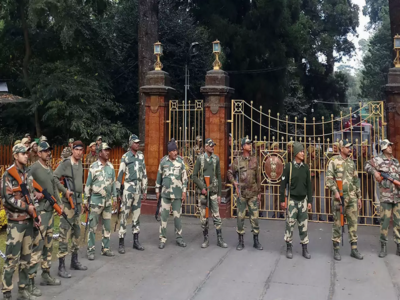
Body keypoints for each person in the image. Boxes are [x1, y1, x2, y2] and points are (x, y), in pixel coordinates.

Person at [1, 144, 37, 300]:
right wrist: (26, 207)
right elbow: (7, 199)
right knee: (11, 259)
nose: (26, 155)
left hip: (28, 222)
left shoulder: (27, 174)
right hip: (16, 223)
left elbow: (32, 194)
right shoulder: (8, 175)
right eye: (22, 153)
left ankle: (23, 289)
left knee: (26, 258)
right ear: (15, 155)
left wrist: (35, 213)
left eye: (26, 153)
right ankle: (7, 292)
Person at [27, 141, 61, 295]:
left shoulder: (48, 168)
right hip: (40, 213)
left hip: (50, 211)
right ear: (38, 153)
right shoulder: (33, 168)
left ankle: (46, 274)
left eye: (49, 150)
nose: (48, 153)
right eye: (45, 151)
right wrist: (35, 195)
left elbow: (53, 186)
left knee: (48, 245)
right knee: (37, 247)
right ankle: (30, 281)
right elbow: (24, 186)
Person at [53, 140, 87, 278]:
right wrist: (64, 190)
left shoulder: (80, 164)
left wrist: (82, 201)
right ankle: (61, 265)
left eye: (81, 150)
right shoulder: (67, 163)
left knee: (77, 232)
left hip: (78, 203)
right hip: (68, 204)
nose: (79, 152)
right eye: (77, 149)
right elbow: (54, 177)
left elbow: (80, 185)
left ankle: (74, 260)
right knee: (64, 234)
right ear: (72, 150)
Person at [326, 140, 363, 261]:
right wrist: (335, 191)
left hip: (352, 197)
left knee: (353, 223)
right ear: (341, 149)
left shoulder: (352, 163)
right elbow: (329, 179)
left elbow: (356, 180)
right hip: (339, 197)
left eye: (350, 147)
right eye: (347, 147)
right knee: (337, 223)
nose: (350, 149)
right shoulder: (334, 161)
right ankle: (336, 249)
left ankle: (354, 249)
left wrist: (359, 197)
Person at [365, 139, 400, 257]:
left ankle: (398, 246)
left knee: (398, 223)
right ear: (384, 148)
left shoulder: (395, 161)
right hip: (386, 197)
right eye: (389, 146)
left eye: (391, 145)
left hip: (397, 197)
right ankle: (383, 246)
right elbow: (367, 165)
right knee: (384, 223)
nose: (391, 147)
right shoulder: (378, 160)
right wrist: (375, 173)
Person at [227, 137, 263, 251]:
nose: (249, 145)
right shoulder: (238, 160)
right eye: (247, 144)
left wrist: (259, 192)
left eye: (250, 143)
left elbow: (258, 176)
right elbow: (229, 172)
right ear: (243, 146)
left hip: (252, 193)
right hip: (242, 194)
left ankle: (256, 241)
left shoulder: (255, 160)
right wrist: (234, 183)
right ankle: (240, 241)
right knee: (240, 218)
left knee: (255, 218)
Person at [193, 138, 228, 248]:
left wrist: (219, 194)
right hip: (203, 193)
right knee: (204, 217)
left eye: (213, 145)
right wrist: (202, 187)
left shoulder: (216, 159)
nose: (213, 147)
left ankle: (219, 239)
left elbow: (218, 175)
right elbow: (194, 176)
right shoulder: (200, 159)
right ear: (206, 147)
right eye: (211, 145)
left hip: (213, 192)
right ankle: (206, 238)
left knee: (217, 216)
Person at [84, 143, 117, 260]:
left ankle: (105, 248)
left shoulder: (111, 167)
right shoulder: (93, 167)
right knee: (92, 227)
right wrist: (85, 201)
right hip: (96, 201)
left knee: (107, 226)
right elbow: (88, 184)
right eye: (105, 150)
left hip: (107, 201)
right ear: (99, 153)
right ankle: (90, 250)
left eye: (108, 150)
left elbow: (113, 184)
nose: (107, 152)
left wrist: (115, 197)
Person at [279, 142, 312, 259]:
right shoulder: (289, 167)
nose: (303, 153)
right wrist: (282, 200)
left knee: (304, 226)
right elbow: (283, 184)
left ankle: (305, 248)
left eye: (303, 151)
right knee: (290, 224)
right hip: (292, 200)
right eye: (301, 151)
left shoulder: (305, 168)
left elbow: (309, 186)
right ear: (296, 153)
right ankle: (289, 247)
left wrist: (309, 202)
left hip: (303, 200)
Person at [116, 134, 148, 254]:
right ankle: (121, 242)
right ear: (130, 144)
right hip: (128, 188)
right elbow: (120, 174)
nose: (137, 144)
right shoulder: (125, 157)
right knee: (124, 214)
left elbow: (144, 173)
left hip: (138, 189)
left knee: (137, 214)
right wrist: (118, 191)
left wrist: (144, 189)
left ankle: (136, 240)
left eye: (138, 142)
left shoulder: (141, 156)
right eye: (135, 142)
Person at [155, 139, 188, 249]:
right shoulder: (163, 162)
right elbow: (159, 177)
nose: (175, 153)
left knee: (177, 217)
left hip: (177, 195)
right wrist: (157, 190)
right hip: (165, 195)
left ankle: (179, 238)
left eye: (176, 150)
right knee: (163, 218)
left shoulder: (181, 162)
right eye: (173, 151)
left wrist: (184, 191)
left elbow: (185, 178)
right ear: (169, 152)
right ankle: (162, 238)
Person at [358, 140, 377, 225]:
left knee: (372, 197)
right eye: (362, 147)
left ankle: (375, 216)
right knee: (362, 197)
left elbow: (374, 167)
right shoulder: (359, 157)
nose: (363, 148)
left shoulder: (370, 157)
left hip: (369, 179)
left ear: (367, 147)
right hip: (363, 179)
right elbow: (357, 168)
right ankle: (362, 216)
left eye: (365, 147)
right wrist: (361, 172)